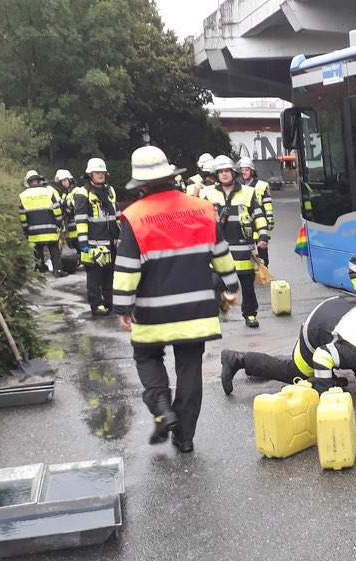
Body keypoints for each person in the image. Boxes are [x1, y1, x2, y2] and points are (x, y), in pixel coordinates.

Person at [113, 146, 239, 453]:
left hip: (152, 311)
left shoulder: (134, 216)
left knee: (147, 355)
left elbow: (127, 267)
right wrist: (232, 286)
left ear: (141, 185)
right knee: (190, 369)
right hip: (197, 309)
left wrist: (123, 306)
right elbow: (221, 253)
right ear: (170, 176)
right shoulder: (203, 208)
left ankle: (160, 404)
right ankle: (184, 437)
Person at [220, 295, 356, 395]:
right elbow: (322, 355)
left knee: (335, 357)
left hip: (343, 306)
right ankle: (237, 359)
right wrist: (324, 393)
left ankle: (327, 375)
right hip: (317, 326)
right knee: (293, 372)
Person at [202, 155, 269, 328]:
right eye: (220, 172)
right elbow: (201, 220)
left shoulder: (248, 192)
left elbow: (259, 216)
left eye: (227, 171)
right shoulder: (208, 194)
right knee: (217, 283)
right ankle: (220, 307)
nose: (224, 174)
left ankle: (250, 314)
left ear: (233, 173)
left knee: (247, 285)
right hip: (218, 249)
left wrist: (263, 237)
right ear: (217, 175)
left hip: (243, 247)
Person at [74, 157, 120, 315]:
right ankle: (96, 304)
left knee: (110, 274)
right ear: (90, 174)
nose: (100, 175)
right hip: (93, 244)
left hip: (111, 242)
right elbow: (81, 221)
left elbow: (117, 215)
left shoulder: (110, 190)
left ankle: (110, 301)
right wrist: (84, 246)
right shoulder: (83, 194)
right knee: (94, 277)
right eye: (97, 172)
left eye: (102, 172)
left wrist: (121, 236)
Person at [18, 170, 67, 277]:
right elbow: (57, 210)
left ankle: (40, 268)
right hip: (50, 228)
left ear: (28, 182)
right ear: (39, 180)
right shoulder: (48, 192)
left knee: (37, 249)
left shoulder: (23, 196)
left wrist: (26, 230)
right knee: (54, 248)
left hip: (33, 231)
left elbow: (22, 216)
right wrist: (60, 223)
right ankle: (58, 270)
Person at [238, 156, 274, 266]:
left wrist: (270, 219)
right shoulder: (238, 186)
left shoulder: (262, 186)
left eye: (246, 170)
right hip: (246, 223)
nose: (244, 172)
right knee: (248, 253)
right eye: (242, 170)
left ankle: (264, 270)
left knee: (263, 253)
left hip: (259, 222)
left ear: (252, 171)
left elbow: (267, 204)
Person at [55, 169, 79, 250]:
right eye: (62, 181)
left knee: (82, 247)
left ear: (70, 180)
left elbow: (75, 204)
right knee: (75, 246)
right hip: (70, 225)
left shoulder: (77, 190)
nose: (63, 183)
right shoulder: (65, 193)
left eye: (65, 180)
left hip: (78, 224)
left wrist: (62, 202)